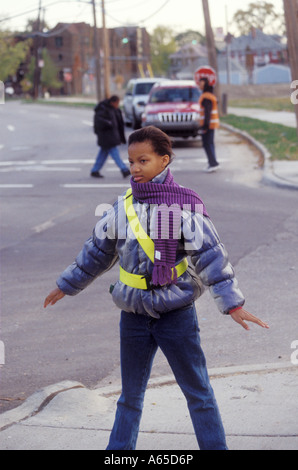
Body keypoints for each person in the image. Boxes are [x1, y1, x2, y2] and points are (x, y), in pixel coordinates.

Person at [44, 126, 269, 450]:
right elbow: (96, 253)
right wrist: (66, 285)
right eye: (131, 161)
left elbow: (211, 257)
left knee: (198, 392)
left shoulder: (185, 207)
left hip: (176, 314)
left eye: (143, 160)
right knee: (130, 396)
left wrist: (232, 303)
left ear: (164, 160)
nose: (134, 168)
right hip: (133, 315)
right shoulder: (122, 207)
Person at [91, 95, 130, 178]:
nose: (118, 105)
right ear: (112, 102)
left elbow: (119, 124)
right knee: (114, 153)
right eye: (117, 103)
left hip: (111, 136)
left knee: (103, 153)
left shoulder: (114, 109)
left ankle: (95, 170)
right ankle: (124, 169)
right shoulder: (103, 109)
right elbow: (99, 121)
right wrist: (109, 124)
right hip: (106, 137)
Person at [198, 77, 220, 173]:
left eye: (200, 83)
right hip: (211, 124)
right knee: (209, 144)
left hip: (209, 125)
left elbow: (207, 112)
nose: (199, 85)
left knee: (207, 144)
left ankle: (213, 163)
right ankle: (212, 163)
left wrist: (205, 126)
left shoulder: (206, 96)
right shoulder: (209, 94)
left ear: (204, 84)